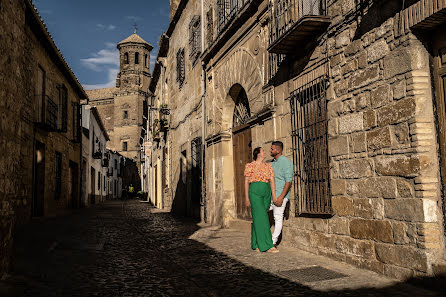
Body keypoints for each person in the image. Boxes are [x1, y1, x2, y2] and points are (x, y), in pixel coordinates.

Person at [244, 147, 279, 253]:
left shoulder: (268, 166)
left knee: (258, 218)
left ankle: (255, 243)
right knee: (263, 217)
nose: (265, 152)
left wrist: (274, 196)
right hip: (254, 192)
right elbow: (246, 182)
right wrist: (246, 197)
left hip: (266, 192)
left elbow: (272, 181)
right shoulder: (249, 166)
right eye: (263, 151)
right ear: (258, 154)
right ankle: (268, 245)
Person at [270, 141, 293, 246]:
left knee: (278, 218)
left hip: (280, 196)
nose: (270, 150)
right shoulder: (271, 163)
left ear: (278, 150)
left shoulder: (286, 163)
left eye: (272, 149)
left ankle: (272, 242)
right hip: (270, 196)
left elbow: (288, 182)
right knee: (261, 213)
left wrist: (281, 197)